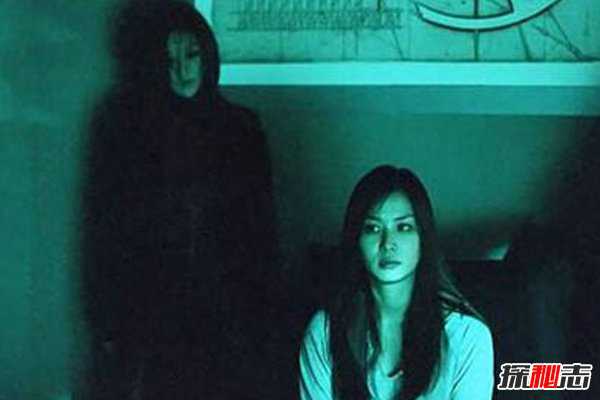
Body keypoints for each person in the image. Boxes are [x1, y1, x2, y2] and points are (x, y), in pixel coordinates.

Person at [82, 1, 278, 398]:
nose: (183, 70)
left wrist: (259, 314)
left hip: (228, 313)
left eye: (192, 55)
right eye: (169, 60)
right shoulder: (125, 133)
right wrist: (110, 324)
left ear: (208, 57)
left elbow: (261, 232)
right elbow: (104, 235)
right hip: (152, 316)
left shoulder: (240, 130)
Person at [298, 166, 493, 400]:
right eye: (373, 228)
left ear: (423, 237)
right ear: (356, 239)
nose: (387, 242)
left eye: (403, 227)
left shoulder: (466, 336)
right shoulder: (325, 331)